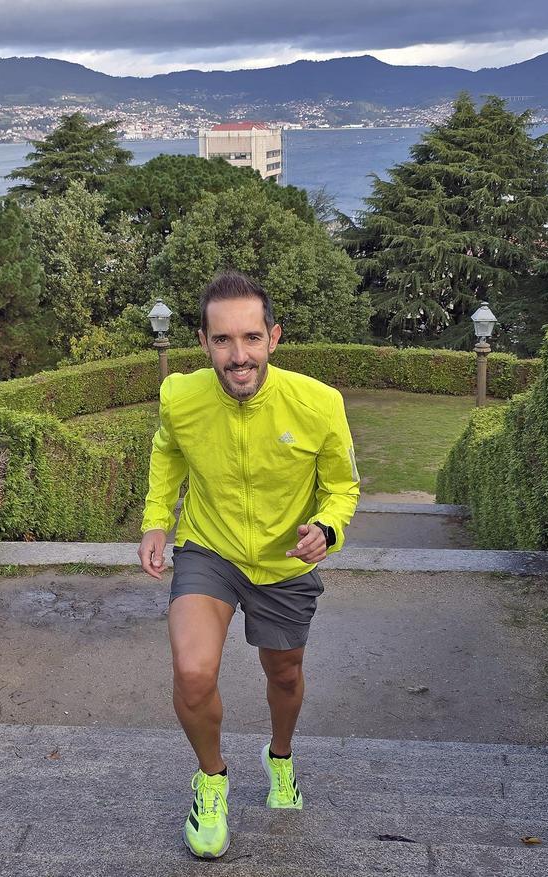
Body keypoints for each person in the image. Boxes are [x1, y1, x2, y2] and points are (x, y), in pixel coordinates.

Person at [137, 270, 360, 859]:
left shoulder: (318, 404)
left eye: (252, 339)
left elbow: (343, 486)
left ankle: (279, 756)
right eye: (223, 341)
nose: (240, 356)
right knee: (191, 671)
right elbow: (168, 452)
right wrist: (157, 518)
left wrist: (328, 528)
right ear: (204, 342)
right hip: (209, 550)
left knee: (283, 675)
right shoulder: (180, 397)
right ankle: (212, 780)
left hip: (285, 561)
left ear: (274, 337)